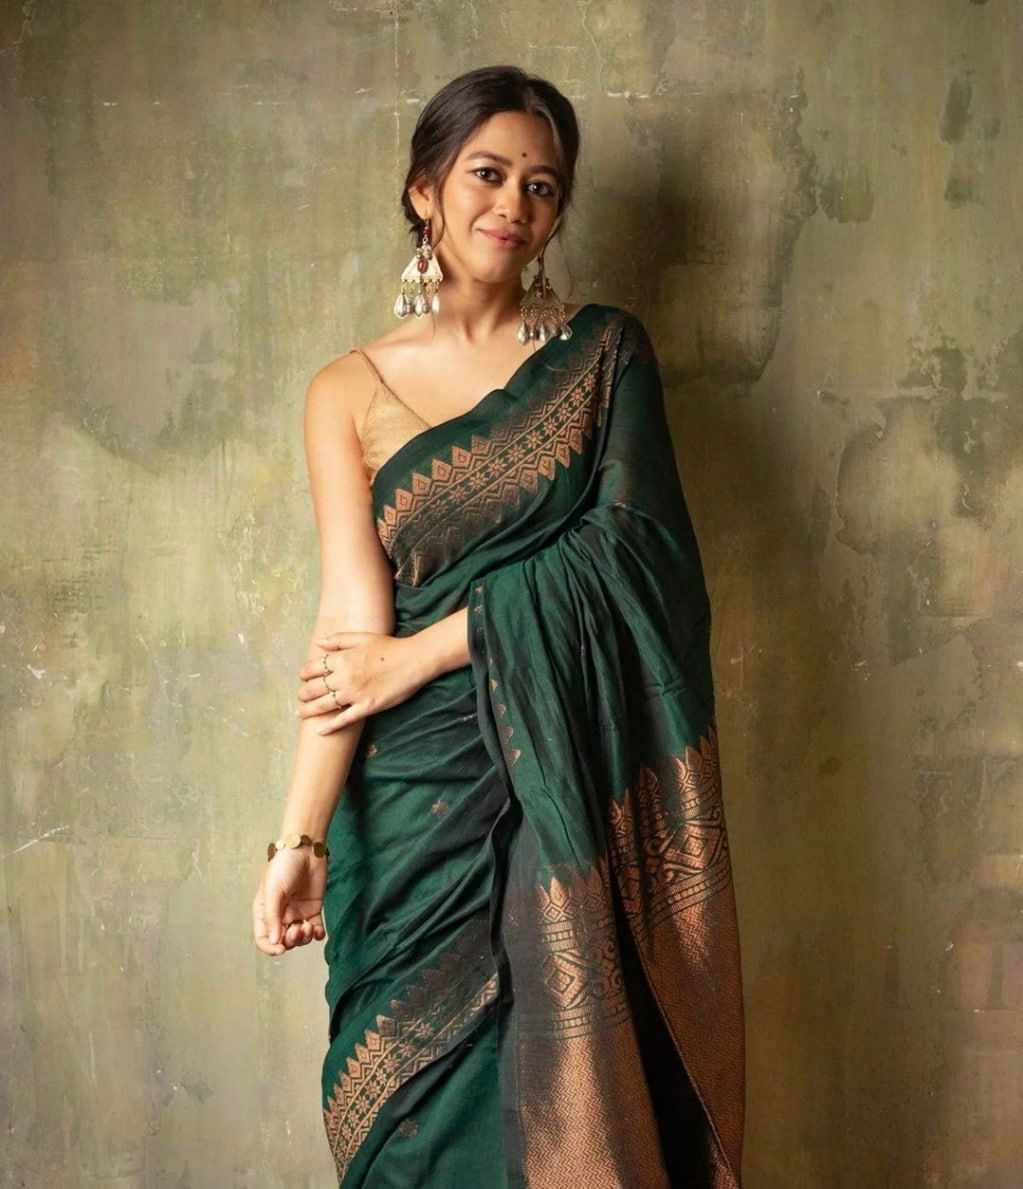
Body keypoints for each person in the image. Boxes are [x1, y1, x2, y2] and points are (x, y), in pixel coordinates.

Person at [251, 64, 746, 1188]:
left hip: (564, 777)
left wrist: (423, 653)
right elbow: (349, 629)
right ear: (425, 189)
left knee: (570, 1118)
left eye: (541, 185)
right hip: (409, 809)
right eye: (487, 173)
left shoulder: (603, 357)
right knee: (413, 1136)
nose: (513, 204)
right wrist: (300, 843)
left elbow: (634, 559)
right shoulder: (345, 391)